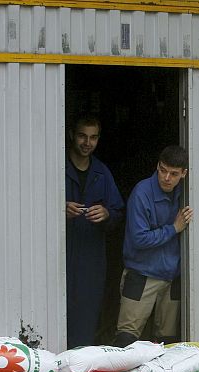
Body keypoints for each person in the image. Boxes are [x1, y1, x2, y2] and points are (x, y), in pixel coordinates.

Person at [115, 145, 193, 343]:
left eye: (173, 174)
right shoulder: (142, 193)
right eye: (163, 170)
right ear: (157, 166)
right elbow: (139, 238)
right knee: (126, 339)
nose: (166, 178)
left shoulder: (187, 192)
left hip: (172, 277)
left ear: (184, 173)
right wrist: (174, 228)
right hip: (141, 275)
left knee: (167, 342)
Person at [65, 116, 125, 349]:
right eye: (82, 136)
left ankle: (79, 367)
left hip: (91, 258)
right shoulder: (58, 166)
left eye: (93, 137)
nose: (87, 142)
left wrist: (107, 214)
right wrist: (59, 209)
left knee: (87, 314)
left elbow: (119, 212)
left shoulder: (101, 172)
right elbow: (33, 203)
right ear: (72, 135)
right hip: (61, 253)